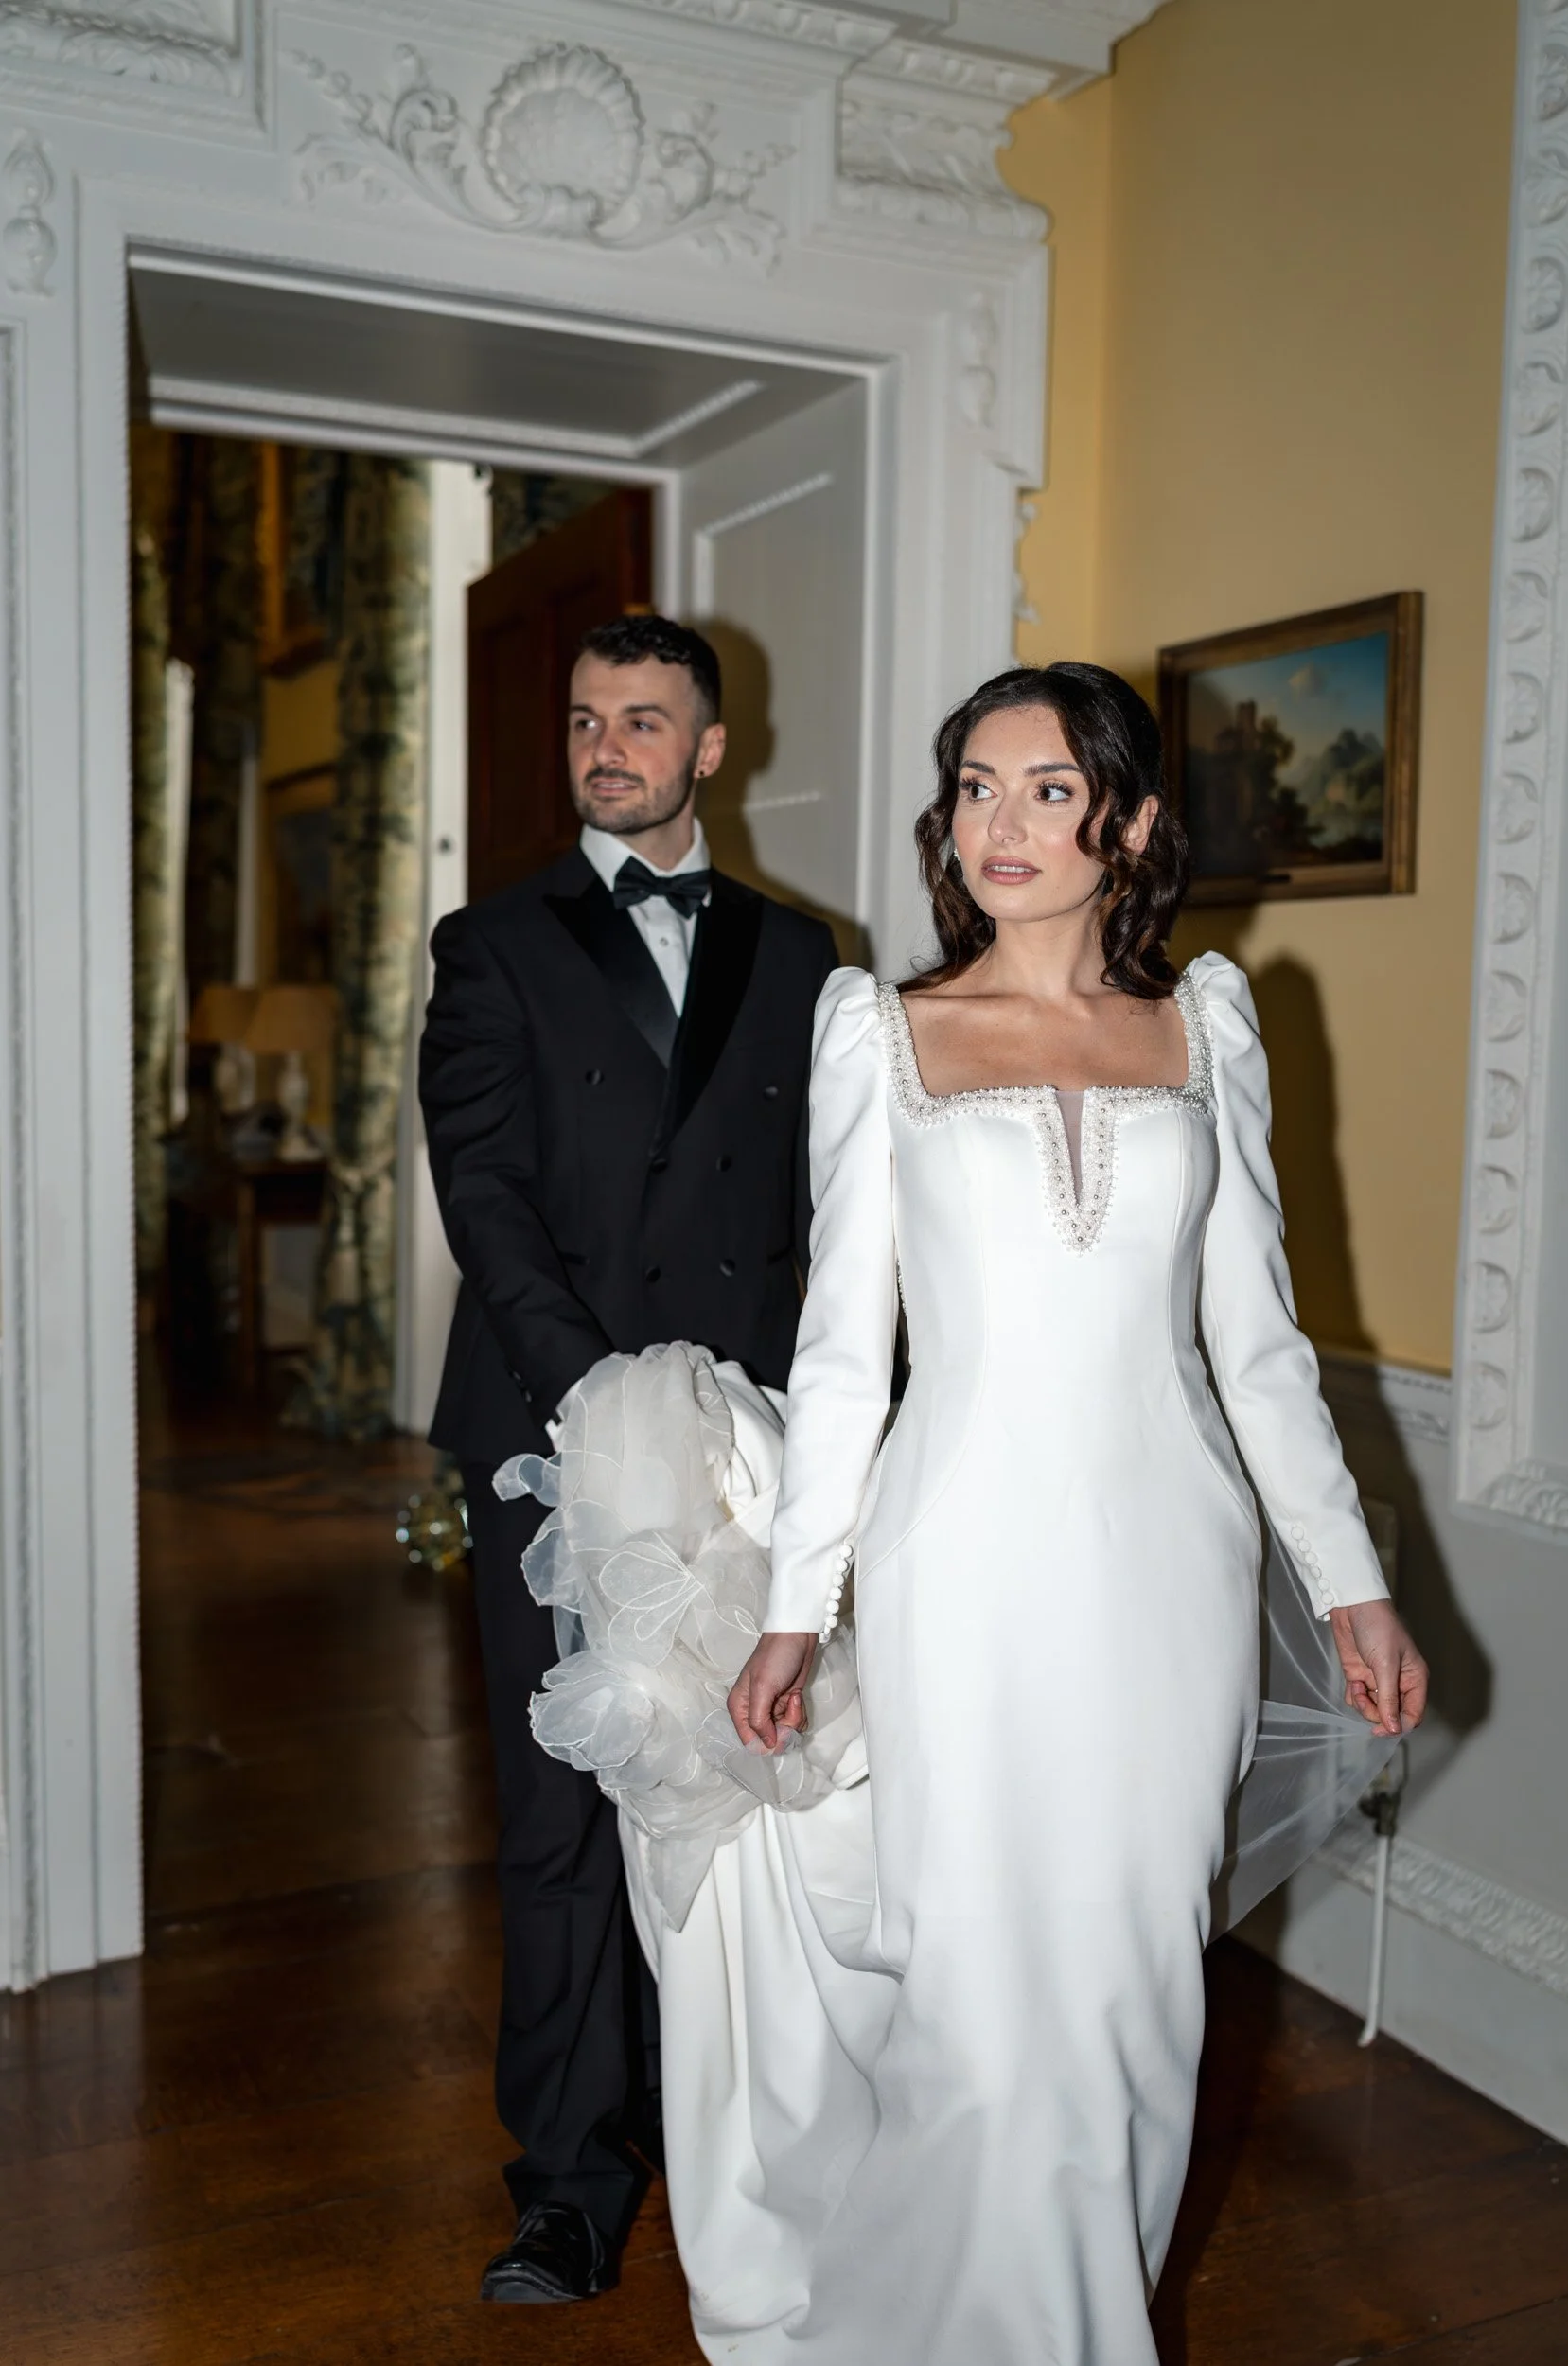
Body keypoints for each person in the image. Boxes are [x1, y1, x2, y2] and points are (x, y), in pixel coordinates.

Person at [704, 660, 1428, 2362]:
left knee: (1131, 1981)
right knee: (977, 1987)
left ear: (1133, 818)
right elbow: (838, 1358)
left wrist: (1348, 1586)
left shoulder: (1212, 1026)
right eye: (974, 786)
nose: (1002, 823)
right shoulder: (877, 1032)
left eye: (1045, 787)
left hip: (1173, 1574)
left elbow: (1255, 1348)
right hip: (957, 1564)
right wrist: (798, 1604)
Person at [418, 612, 837, 2305]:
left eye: (644, 720)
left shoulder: (808, 956)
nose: (609, 746)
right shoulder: (491, 941)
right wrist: (602, 1415)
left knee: (738, 1803)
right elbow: (486, 1197)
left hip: (744, 1455)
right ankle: (572, 2185)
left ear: (708, 748)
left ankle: (735, 2143)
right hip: (551, 1440)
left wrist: (810, 1432)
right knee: (563, 1819)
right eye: (588, 719)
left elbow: (825, 1222)